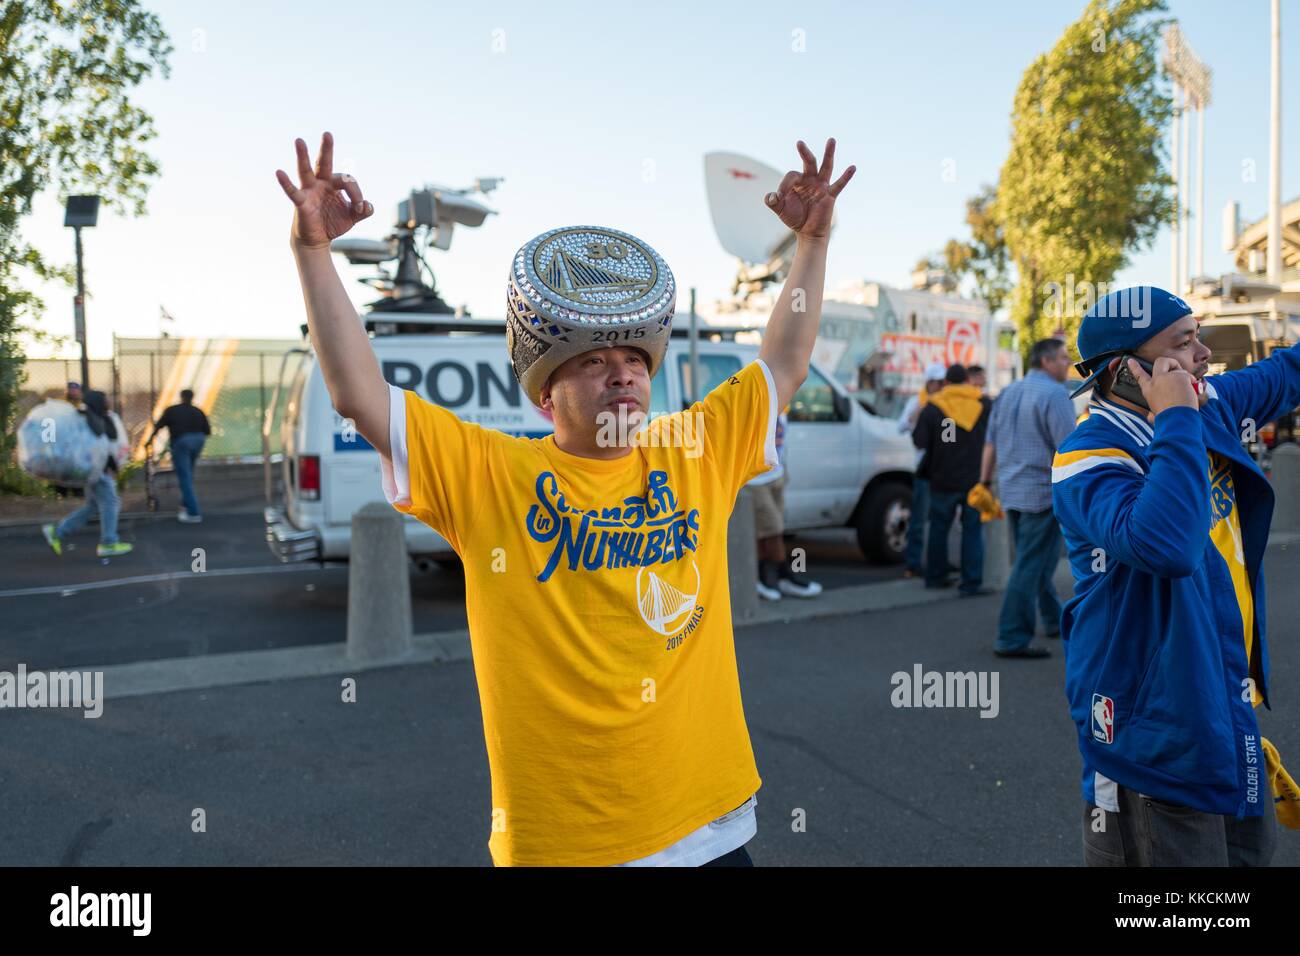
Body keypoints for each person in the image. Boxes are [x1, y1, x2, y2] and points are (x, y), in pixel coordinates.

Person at [277, 131, 855, 867]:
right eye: (591, 362)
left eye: (633, 360)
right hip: (571, 844)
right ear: (547, 396)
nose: (621, 375)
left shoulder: (696, 449)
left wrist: (811, 242)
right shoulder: (490, 474)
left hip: (714, 825)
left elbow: (784, 360)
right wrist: (312, 254)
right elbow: (357, 395)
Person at [1054, 286, 1300, 866]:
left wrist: (1184, 411)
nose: (1205, 355)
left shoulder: (1204, 403)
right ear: (1125, 371)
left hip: (1223, 703)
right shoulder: (1089, 455)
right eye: (1184, 344)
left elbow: (1286, 373)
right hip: (1152, 727)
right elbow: (1166, 545)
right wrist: (1177, 419)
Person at [980, 338, 1076, 658]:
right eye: (1063, 358)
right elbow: (1069, 449)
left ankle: (1052, 619)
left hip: (1011, 490)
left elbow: (990, 443)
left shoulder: (1007, 393)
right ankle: (1011, 636)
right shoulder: (1056, 394)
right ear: (1046, 361)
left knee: (1034, 560)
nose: (1067, 363)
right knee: (1030, 565)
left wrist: (983, 481)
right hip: (1042, 492)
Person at [913, 364, 992, 595]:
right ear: (968, 380)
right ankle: (971, 582)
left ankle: (935, 577)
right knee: (972, 531)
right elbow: (993, 438)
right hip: (973, 480)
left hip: (941, 479)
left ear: (946, 382)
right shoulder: (984, 404)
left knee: (938, 529)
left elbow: (919, 442)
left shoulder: (933, 406)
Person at [42, 390, 133, 558]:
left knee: (93, 505)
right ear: (98, 402)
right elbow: (102, 445)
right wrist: (110, 466)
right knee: (111, 503)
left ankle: (58, 531)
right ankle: (109, 542)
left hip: (88, 469)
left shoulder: (87, 416)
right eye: (105, 400)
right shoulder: (95, 419)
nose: (109, 402)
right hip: (97, 470)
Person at [748, 408, 821, 600]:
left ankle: (761, 578)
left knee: (764, 533)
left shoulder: (782, 399)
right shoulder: (759, 395)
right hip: (755, 480)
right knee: (774, 530)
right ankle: (783, 575)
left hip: (776, 475)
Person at [898, 362, 947, 578]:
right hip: (924, 468)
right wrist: (915, 417)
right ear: (930, 383)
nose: (942, 386)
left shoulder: (947, 403)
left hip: (943, 469)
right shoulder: (917, 402)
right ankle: (913, 563)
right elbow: (900, 427)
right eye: (938, 382)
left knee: (941, 519)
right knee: (919, 519)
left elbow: (950, 436)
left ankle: (940, 563)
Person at [147, 388, 211, 523]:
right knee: (188, 474)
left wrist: (148, 442)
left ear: (181, 397)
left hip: (181, 442)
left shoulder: (172, 410)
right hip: (198, 440)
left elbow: (158, 426)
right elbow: (207, 431)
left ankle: (193, 512)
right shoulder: (198, 411)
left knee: (184, 477)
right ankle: (185, 505)